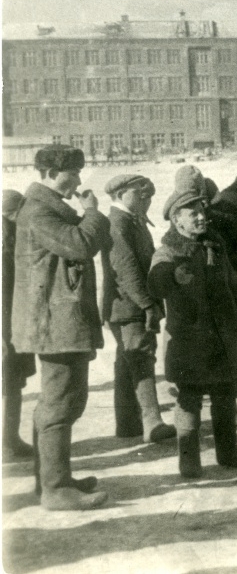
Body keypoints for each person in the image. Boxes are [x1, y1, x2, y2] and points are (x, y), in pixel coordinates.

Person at [148, 166, 237, 479]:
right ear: (177, 219)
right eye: (192, 213)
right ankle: (189, 460)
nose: (201, 217)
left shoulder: (215, 244)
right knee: (189, 401)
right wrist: (172, 276)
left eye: (202, 211)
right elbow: (156, 281)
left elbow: (233, 284)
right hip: (190, 340)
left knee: (226, 396)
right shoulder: (168, 251)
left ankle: (228, 451)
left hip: (224, 336)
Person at [11, 145, 108, 510]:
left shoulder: (45, 208)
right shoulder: (39, 212)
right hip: (55, 324)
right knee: (59, 403)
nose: (79, 180)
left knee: (60, 402)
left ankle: (54, 481)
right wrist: (93, 213)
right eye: (73, 173)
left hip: (57, 321)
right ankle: (54, 488)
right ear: (52, 173)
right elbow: (80, 244)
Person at [100, 174, 175, 443]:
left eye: (148, 195)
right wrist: (147, 304)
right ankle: (152, 422)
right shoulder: (118, 222)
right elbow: (126, 267)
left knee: (126, 361)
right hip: (130, 305)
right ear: (120, 194)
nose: (145, 199)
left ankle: (128, 424)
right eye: (138, 193)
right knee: (141, 358)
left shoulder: (130, 219)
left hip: (125, 304)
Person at [3, 190, 36, 460]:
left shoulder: (14, 237)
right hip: (6, 327)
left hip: (15, 323)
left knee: (14, 385)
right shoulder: (5, 244)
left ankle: (10, 439)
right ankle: (8, 441)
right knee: (10, 385)